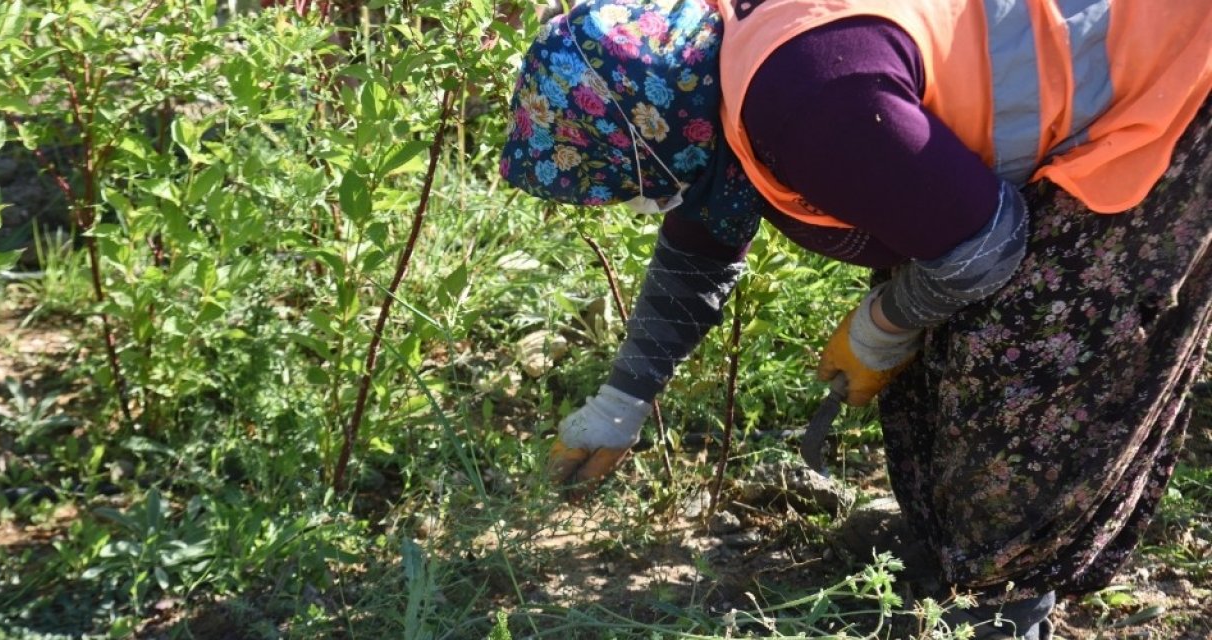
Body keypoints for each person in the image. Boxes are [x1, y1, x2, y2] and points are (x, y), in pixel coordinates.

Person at [498, 0, 1212, 637]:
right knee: (940, 350)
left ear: (654, 132)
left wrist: (886, 322)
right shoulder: (700, 73)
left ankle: (1000, 607)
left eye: (631, 186)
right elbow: (701, 245)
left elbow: (985, 249)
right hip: (1041, 132)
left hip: (1168, 78)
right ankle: (948, 561)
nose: (637, 204)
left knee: (1021, 373)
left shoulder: (803, 99)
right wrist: (621, 400)